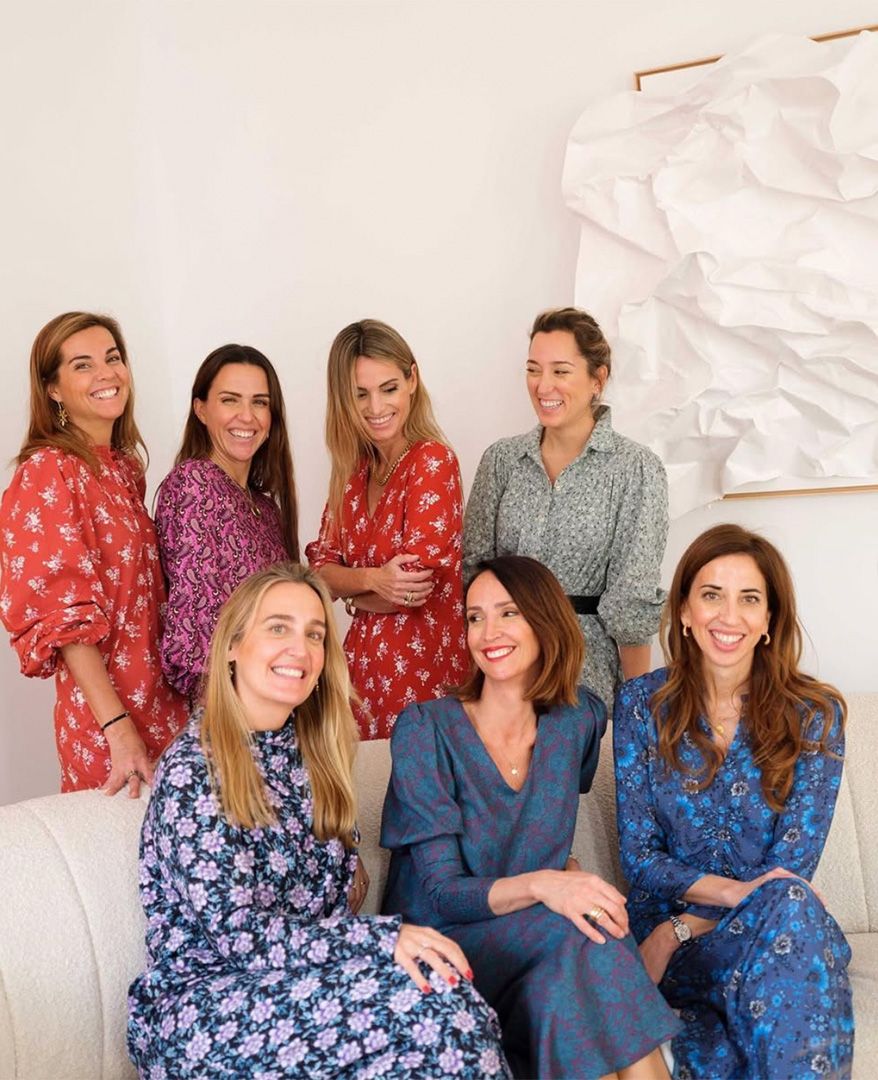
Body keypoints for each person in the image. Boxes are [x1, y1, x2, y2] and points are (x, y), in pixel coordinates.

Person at [128, 562, 510, 1079]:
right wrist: (384, 939)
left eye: (315, 634)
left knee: (444, 994)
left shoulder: (312, 757)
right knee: (436, 1010)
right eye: (278, 627)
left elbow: (332, 905)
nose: (300, 649)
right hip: (206, 1006)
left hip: (305, 983)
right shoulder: (195, 769)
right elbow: (242, 937)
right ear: (233, 646)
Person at [381, 555, 678, 1079]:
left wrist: (563, 873)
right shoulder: (424, 729)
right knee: (586, 928)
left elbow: (550, 808)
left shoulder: (581, 719)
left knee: (564, 984)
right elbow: (444, 893)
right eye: (475, 617)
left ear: (545, 621)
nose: (487, 632)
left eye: (508, 613)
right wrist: (547, 885)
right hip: (444, 942)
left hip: (543, 951)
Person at [614, 524, 854, 1079]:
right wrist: (692, 920)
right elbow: (641, 857)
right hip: (676, 949)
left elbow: (790, 867)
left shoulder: (816, 714)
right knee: (788, 909)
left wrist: (684, 926)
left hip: (773, 933)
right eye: (711, 595)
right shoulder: (640, 704)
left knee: (790, 905)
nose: (729, 616)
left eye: (749, 599)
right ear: (684, 611)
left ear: (769, 619)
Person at [0, 311, 186, 795]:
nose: (107, 373)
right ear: (53, 390)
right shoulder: (47, 472)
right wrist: (118, 729)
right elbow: (63, 620)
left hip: (166, 710)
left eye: (113, 358)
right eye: (83, 365)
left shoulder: (122, 472)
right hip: (109, 724)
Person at [463, 307, 668, 714]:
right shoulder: (501, 461)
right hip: (503, 673)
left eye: (560, 371)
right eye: (533, 370)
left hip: (587, 680)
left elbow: (633, 602)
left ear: (597, 379)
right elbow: (473, 574)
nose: (543, 385)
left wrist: (635, 712)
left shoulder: (636, 469)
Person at [306, 319, 468, 739]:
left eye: (389, 388)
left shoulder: (431, 461)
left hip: (422, 675)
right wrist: (372, 580)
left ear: (412, 379)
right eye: (360, 394)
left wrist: (350, 592)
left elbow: (412, 589)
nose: (375, 407)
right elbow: (318, 573)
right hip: (357, 677)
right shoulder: (352, 471)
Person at [156, 344, 298, 702]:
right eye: (230, 400)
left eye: (260, 402)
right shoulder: (195, 484)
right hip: (230, 712)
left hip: (276, 704)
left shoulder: (266, 509)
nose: (247, 416)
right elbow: (192, 636)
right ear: (201, 409)